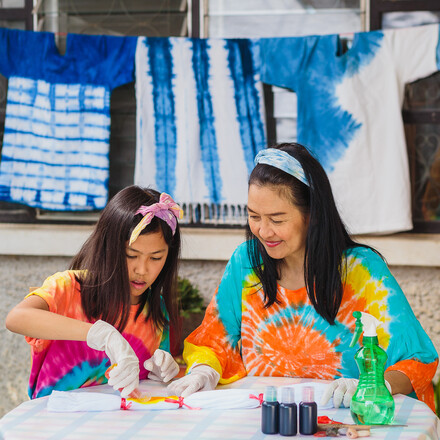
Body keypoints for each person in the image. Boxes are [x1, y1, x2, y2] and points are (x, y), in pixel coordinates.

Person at [167, 143, 439, 413]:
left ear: (312, 215)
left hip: (348, 423)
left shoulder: (362, 271)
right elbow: (214, 340)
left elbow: (417, 359)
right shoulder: (247, 261)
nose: (263, 231)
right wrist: (203, 371)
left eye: (277, 219)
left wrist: (371, 384)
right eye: (254, 216)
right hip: (261, 422)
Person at [6, 185, 183, 399]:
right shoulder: (70, 288)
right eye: (130, 255)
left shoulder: (156, 309)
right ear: (108, 248)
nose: (142, 269)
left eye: (156, 258)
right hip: (55, 424)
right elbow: (17, 318)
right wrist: (100, 334)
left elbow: (142, 383)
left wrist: (160, 370)